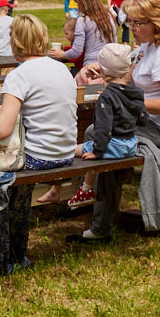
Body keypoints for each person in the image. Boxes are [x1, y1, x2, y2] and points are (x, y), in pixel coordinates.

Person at [75, 0, 160, 242]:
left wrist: (129, 106)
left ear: (155, 22)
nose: (130, 28)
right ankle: (101, 217)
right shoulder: (149, 44)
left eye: (136, 23)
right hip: (153, 123)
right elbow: (131, 78)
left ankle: (97, 215)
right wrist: (106, 71)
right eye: (128, 22)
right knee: (103, 133)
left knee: (99, 134)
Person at [0, 14, 75, 269]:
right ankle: (16, 253)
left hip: (38, 157)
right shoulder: (61, 69)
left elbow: (2, 130)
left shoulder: (20, 75)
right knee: (18, 186)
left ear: (14, 42)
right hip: (65, 153)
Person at [59, 43, 146, 208]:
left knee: (69, 151)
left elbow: (103, 129)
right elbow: (143, 119)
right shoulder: (136, 92)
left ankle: (80, 189)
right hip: (131, 145)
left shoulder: (107, 97)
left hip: (113, 147)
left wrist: (97, 151)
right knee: (86, 148)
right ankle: (86, 188)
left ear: (104, 70)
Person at [50, 0, 115, 84]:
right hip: (108, 68)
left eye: (77, 3)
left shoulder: (83, 20)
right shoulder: (109, 17)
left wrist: (61, 54)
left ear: (82, 3)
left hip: (91, 71)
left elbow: (76, 51)